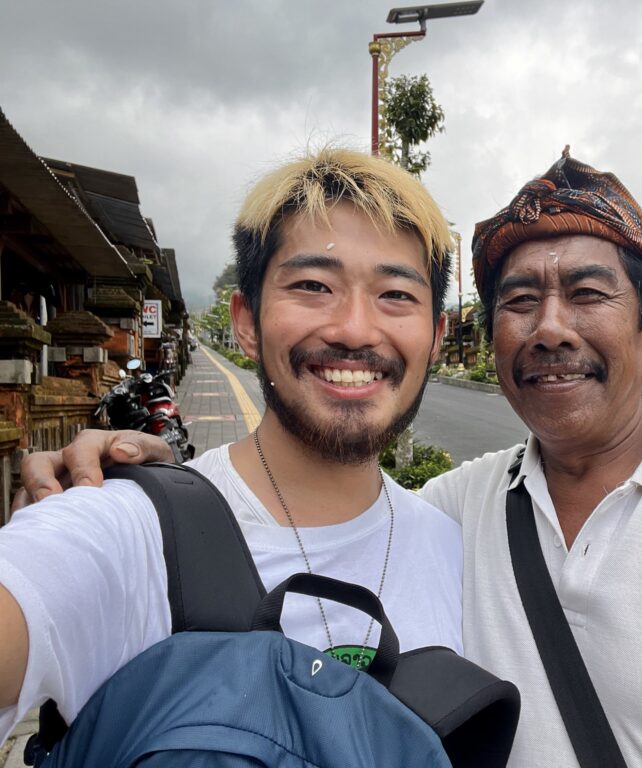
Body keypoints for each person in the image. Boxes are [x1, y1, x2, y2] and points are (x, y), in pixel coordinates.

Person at [16, 151, 642, 767]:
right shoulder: (448, 515)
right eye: (518, 301)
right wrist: (132, 489)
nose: (548, 327)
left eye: (587, 293)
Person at [0, 148, 464, 742]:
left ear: (434, 335)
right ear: (245, 321)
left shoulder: (453, 544)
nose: (354, 329)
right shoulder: (130, 528)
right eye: (313, 285)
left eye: (396, 295)